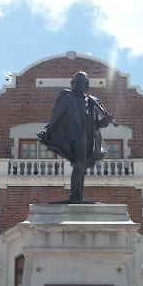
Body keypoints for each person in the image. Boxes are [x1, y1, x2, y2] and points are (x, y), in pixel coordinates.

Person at [37, 71, 115, 203]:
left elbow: (97, 124)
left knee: (81, 165)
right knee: (79, 163)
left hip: (88, 137)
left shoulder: (91, 101)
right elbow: (56, 115)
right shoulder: (66, 96)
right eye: (77, 82)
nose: (79, 85)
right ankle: (75, 196)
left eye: (82, 82)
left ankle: (78, 196)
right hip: (73, 136)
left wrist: (106, 120)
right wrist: (46, 129)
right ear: (73, 82)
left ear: (86, 84)